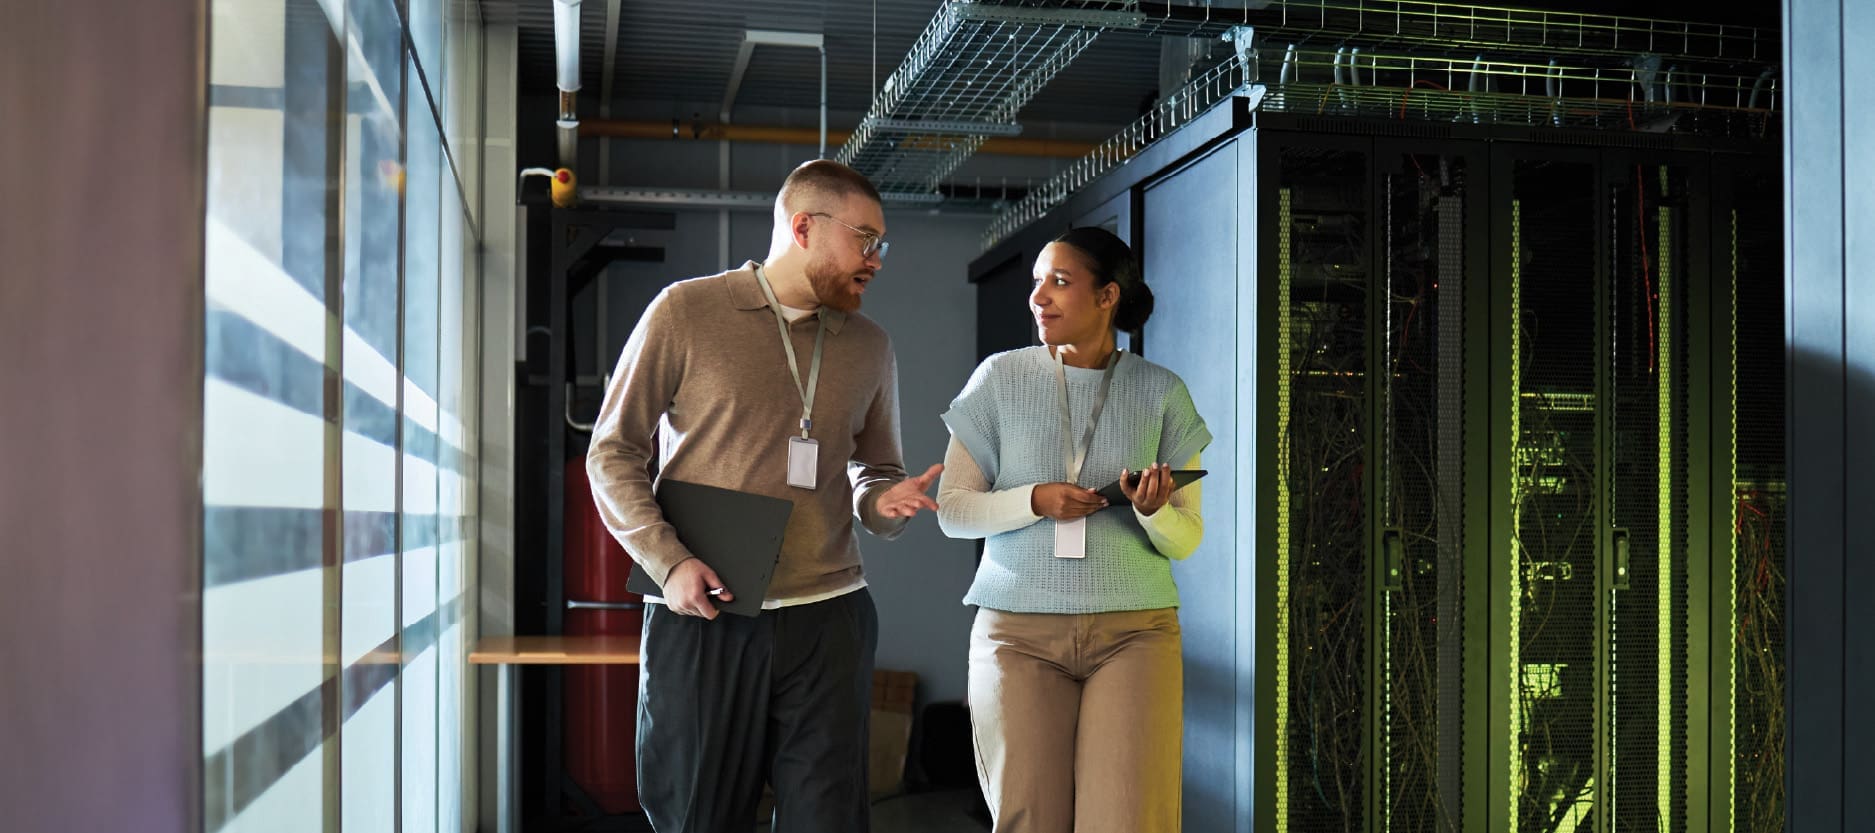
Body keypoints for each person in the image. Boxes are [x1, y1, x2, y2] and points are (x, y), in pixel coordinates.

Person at [586, 159, 942, 833]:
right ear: (804, 226)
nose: (876, 260)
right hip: (707, 614)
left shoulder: (869, 345)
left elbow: (874, 470)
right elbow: (612, 451)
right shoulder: (685, 311)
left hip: (828, 617)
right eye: (865, 239)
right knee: (697, 817)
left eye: (881, 244)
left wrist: (882, 501)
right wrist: (667, 562)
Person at [936, 226, 1210, 833]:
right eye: (1037, 282)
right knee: (1029, 821)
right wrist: (1035, 499)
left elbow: (1186, 539)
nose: (1039, 296)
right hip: (1017, 635)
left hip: (1134, 634)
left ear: (1108, 295)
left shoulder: (1161, 392)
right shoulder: (998, 379)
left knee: (1128, 822)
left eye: (1059, 281)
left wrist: (1152, 510)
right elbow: (953, 510)